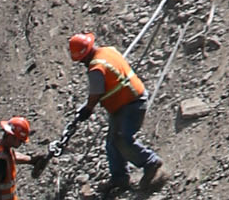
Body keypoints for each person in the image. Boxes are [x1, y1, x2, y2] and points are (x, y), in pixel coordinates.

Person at [68, 30, 164, 190]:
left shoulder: (96, 68)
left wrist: (88, 109)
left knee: (121, 139)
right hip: (128, 101)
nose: (82, 63)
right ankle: (119, 177)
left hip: (130, 103)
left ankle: (150, 162)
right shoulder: (108, 51)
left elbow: (96, 93)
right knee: (112, 143)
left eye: (81, 59)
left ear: (84, 55)